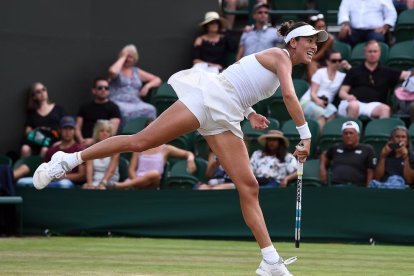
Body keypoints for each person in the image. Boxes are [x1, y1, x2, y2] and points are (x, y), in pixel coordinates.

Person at [33, 20, 327, 276]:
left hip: (228, 113)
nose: (314, 46)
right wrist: (306, 136)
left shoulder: (280, 64)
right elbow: (289, 96)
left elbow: (243, 79)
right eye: (310, 40)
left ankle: (270, 261)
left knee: (249, 186)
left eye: (317, 42)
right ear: (294, 41)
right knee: (142, 141)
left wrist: (250, 113)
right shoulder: (280, 55)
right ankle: (69, 159)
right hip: (210, 97)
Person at [338, 40, 413, 119]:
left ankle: (381, 130)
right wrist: (348, 97)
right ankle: (352, 130)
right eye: (370, 51)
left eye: (375, 51)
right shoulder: (354, 70)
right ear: (365, 53)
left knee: (385, 109)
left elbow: (408, 74)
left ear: (379, 53)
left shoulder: (386, 71)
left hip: (373, 105)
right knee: (354, 106)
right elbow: (342, 92)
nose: (372, 54)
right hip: (354, 102)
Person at [17, 116, 85, 188]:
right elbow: (44, 169)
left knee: (64, 184)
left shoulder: (79, 149)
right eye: (65, 128)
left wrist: (61, 177)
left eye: (70, 129)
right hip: (49, 180)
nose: (67, 132)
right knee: (21, 182)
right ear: (60, 130)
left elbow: (82, 176)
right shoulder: (52, 150)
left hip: (68, 183)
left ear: (74, 130)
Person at [108, 44, 161, 123]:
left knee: (151, 109)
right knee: (125, 111)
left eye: (130, 57)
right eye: (126, 56)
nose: (127, 59)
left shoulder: (136, 71)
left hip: (135, 102)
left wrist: (147, 86)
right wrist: (123, 57)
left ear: (135, 58)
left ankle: (148, 133)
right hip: (118, 102)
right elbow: (112, 72)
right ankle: (126, 133)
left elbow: (157, 80)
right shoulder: (117, 70)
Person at [300, 50, 350, 133]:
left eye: (339, 60)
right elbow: (313, 92)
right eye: (334, 61)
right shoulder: (321, 72)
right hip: (309, 101)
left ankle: (325, 137)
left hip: (325, 103)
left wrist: (348, 67)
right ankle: (317, 141)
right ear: (328, 62)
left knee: (333, 112)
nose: (337, 63)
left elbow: (355, 76)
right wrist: (318, 101)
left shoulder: (342, 76)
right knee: (321, 114)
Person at [110, 143, 196, 190]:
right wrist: (137, 181)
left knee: (154, 174)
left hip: (152, 184)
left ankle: (121, 185)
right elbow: (131, 169)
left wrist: (190, 160)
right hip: (135, 180)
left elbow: (188, 153)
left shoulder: (165, 148)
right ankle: (127, 185)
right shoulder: (139, 148)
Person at [320, 121, 376, 187]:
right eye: (345, 133)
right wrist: (322, 168)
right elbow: (324, 155)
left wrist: (368, 189)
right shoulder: (336, 147)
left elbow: (370, 171)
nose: (348, 136)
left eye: (351, 133)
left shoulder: (367, 149)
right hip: (336, 186)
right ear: (342, 135)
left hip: (357, 187)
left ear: (358, 135)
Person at [20, 82, 66, 157]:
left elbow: (67, 126)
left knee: (45, 150)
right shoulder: (32, 113)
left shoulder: (58, 109)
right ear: (34, 97)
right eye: (38, 91)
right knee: (25, 148)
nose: (42, 93)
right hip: (38, 140)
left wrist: (61, 141)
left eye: (43, 89)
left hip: (55, 140)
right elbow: (27, 131)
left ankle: (41, 169)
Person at [75, 77, 121, 148]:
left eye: (106, 88)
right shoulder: (84, 107)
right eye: (100, 88)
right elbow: (77, 127)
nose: (103, 90)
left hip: (103, 145)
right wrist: (81, 140)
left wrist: (93, 141)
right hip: (83, 145)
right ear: (94, 90)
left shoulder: (114, 108)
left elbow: (112, 131)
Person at [82, 120, 120, 190]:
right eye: (102, 131)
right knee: (86, 187)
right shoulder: (90, 150)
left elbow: (111, 171)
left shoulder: (115, 150)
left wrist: (102, 183)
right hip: (95, 181)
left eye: (108, 131)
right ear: (97, 133)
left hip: (109, 182)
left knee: (102, 188)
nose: (105, 133)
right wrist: (90, 184)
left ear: (110, 134)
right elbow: (89, 170)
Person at [306, 14, 334, 81]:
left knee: (311, 63)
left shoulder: (330, 38)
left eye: (323, 26)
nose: (322, 29)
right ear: (313, 28)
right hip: (310, 60)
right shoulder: (307, 37)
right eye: (319, 27)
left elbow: (316, 57)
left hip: (325, 61)